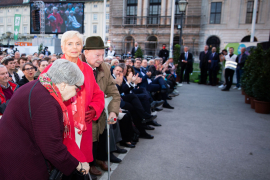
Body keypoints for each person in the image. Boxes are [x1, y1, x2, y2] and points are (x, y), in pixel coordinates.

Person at [0, 60, 90, 179]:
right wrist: (78, 165)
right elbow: (51, 147)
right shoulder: (47, 102)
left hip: (14, 152)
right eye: (77, 88)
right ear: (63, 85)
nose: (76, 93)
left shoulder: (37, 85)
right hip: (20, 161)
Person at [42, 31, 105, 180]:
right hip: (62, 127)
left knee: (80, 164)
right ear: (63, 47)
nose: (74, 47)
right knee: (64, 164)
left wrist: (95, 108)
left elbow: (98, 94)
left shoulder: (88, 70)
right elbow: (41, 93)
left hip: (83, 127)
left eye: (78, 44)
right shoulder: (53, 68)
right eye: (70, 44)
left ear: (82, 47)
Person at [83, 36, 122, 177]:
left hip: (101, 116)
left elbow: (113, 92)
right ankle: (90, 163)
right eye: (97, 55)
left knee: (101, 138)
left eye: (103, 54)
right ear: (86, 53)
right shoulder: (77, 68)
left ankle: (99, 159)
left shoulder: (104, 67)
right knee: (90, 143)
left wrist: (113, 112)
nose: (101, 58)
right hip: (85, 117)